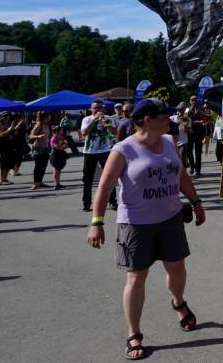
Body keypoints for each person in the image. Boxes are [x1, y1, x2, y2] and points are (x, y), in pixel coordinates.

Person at [85, 98, 205, 360]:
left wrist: (196, 202)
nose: (170, 120)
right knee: (137, 277)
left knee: (177, 268)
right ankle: (134, 333)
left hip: (171, 218)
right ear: (148, 119)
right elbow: (104, 187)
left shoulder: (169, 142)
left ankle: (178, 301)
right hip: (136, 223)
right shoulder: (123, 149)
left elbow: (182, 175)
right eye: (164, 116)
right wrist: (97, 222)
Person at [80, 101, 118, 211]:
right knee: (88, 179)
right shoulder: (86, 119)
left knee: (109, 177)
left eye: (100, 108)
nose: (98, 110)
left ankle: (112, 202)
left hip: (105, 151)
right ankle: (86, 203)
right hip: (90, 152)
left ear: (103, 109)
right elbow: (84, 133)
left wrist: (105, 122)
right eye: (95, 108)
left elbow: (115, 132)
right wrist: (94, 119)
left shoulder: (109, 118)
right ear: (91, 109)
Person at [29, 112, 52, 190]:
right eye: (49, 115)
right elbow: (31, 135)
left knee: (43, 166)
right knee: (38, 166)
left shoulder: (46, 124)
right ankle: (35, 183)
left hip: (45, 147)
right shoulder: (39, 124)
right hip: (38, 148)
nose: (50, 117)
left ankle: (40, 182)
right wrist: (38, 136)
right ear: (45, 116)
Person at [184, 97, 206, 177]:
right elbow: (184, 120)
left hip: (199, 133)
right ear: (190, 101)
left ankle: (198, 169)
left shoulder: (201, 109)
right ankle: (192, 166)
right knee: (189, 151)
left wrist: (204, 134)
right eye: (192, 100)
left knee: (198, 152)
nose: (194, 102)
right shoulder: (187, 110)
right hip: (190, 133)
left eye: (195, 100)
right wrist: (195, 122)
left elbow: (204, 120)